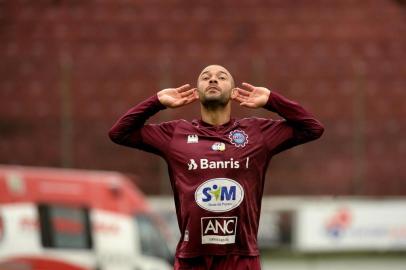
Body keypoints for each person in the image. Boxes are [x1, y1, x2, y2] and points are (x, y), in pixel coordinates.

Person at [109, 64, 324, 270]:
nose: (213, 79)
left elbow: (312, 128)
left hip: (241, 258)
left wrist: (272, 100)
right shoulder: (176, 134)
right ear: (197, 92)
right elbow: (119, 133)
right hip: (192, 260)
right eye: (205, 77)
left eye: (222, 77)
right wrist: (156, 102)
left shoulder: (256, 133)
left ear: (233, 92)